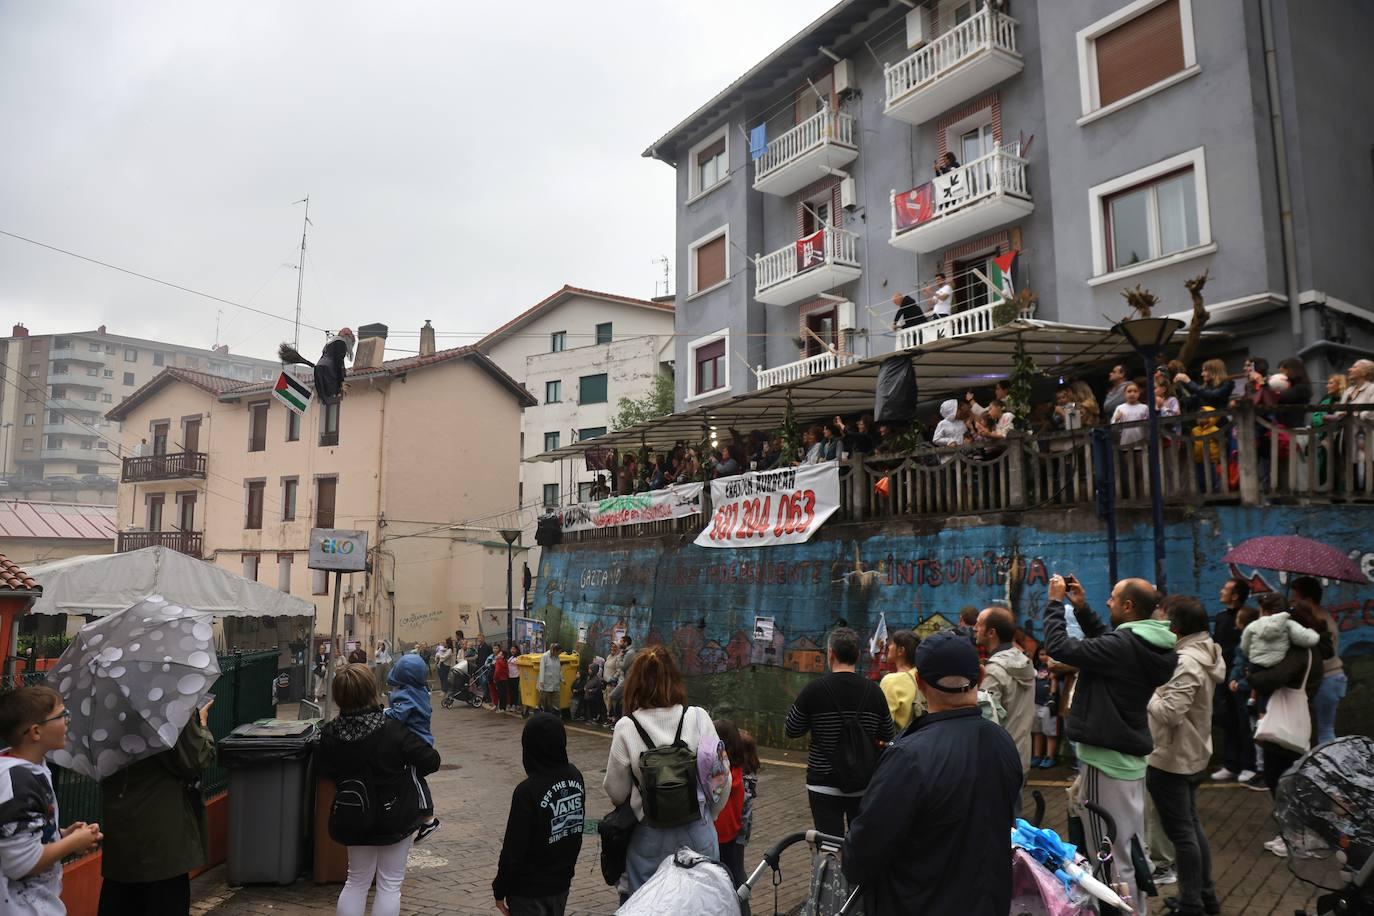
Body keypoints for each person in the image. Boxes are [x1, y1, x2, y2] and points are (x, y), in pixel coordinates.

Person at [841, 631, 1022, 915]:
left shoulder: (909, 757)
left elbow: (860, 856)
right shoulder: (1002, 742)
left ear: (921, 683)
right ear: (982, 676)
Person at [1043, 574, 1178, 910]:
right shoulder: (1146, 644)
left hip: (1106, 760)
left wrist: (1054, 603)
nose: (1108, 602)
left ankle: (1123, 910)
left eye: (1114, 598)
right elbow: (1108, 640)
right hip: (1126, 759)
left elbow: (1060, 647)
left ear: (1128, 606)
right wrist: (1083, 609)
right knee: (1127, 847)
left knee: (1109, 854)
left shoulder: (1124, 647)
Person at [603, 647, 729, 896]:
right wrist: (709, 815)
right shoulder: (698, 717)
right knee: (701, 904)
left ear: (634, 683)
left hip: (650, 836)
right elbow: (721, 779)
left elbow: (616, 792)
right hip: (698, 832)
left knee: (648, 904)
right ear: (675, 679)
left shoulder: (627, 727)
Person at [320, 664, 440, 916]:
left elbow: (327, 771)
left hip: (353, 814)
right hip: (394, 816)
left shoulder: (330, 733)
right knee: (390, 884)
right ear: (371, 691)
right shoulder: (392, 731)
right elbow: (431, 761)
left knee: (356, 881)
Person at [97, 688, 215, 916]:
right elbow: (196, 759)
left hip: (120, 828)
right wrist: (201, 723)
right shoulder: (166, 703)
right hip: (161, 836)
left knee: (120, 898)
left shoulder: (104, 703)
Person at [1146, 595, 1225, 916]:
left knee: (1182, 833)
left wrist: (1148, 688)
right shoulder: (1205, 653)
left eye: (1163, 619)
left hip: (1173, 757)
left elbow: (1169, 712)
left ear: (1175, 626)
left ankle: (1192, 903)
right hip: (1190, 753)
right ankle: (1203, 896)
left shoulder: (1187, 662)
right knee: (1190, 828)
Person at [0, 686, 103, 916]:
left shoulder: (31, 769)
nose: (67, 721)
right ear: (36, 732)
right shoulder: (18, 780)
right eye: (62, 716)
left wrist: (62, 835)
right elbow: (19, 863)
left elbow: (19, 837)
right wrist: (72, 843)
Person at [784, 627, 895, 836]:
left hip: (822, 782)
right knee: (860, 845)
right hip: (863, 783)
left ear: (831, 654)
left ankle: (827, 869)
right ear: (858, 655)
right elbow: (888, 735)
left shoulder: (814, 690)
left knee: (828, 848)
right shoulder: (874, 692)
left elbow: (792, 729)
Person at [1246, 603, 1327, 857]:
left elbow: (1274, 678)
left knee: (1281, 780)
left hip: (1286, 725)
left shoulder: (1299, 652)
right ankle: (1296, 832)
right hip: (1299, 717)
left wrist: (1252, 676)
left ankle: (1295, 835)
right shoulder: (1314, 649)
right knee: (1291, 778)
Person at [492, 713, 584, 916]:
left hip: (529, 891)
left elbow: (514, 848)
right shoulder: (575, 777)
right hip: (561, 882)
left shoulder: (527, 791)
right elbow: (575, 829)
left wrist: (500, 888)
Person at [384, 653, 441, 842]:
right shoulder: (418, 690)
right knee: (411, 777)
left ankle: (428, 818)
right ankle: (419, 816)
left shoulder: (408, 695)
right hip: (417, 741)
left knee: (415, 778)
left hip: (416, 743)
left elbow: (398, 716)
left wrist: (383, 712)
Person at [976, 606, 1036, 777]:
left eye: (979, 625)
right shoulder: (1025, 662)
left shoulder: (994, 671)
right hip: (1021, 756)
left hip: (998, 763)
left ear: (991, 632)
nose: (974, 629)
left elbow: (986, 721)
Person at [1211, 578, 1259, 785]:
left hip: (1240, 679)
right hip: (1222, 677)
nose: (1221, 591)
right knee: (1227, 720)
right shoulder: (1221, 617)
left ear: (1236, 595)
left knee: (1244, 723)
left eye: (1225, 589)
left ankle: (1249, 765)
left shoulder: (1247, 617)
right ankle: (1231, 764)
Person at [1294, 576, 1345, 745]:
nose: (1293, 601)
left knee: (1325, 732)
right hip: (1329, 679)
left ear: (1307, 599)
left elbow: (1323, 655)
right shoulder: (1320, 616)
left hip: (1327, 679)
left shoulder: (1319, 621)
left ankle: (1331, 767)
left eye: (1296, 597)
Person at [712, 718, 755, 889]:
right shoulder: (738, 771)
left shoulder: (721, 774)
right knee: (735, 873)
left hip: (718, 834)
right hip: (732, 833)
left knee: (727, 877)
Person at [1240, 592, 1320, 670]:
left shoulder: (1254, 625)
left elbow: (1244, 645)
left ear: (1265, 612)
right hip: (1277, 664)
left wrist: (1250, 655)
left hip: (1255, 665)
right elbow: (1308, 638)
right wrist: (1313, 632)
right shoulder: (1288, 624)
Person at [878, 630, 924, 731]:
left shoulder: (891, 681)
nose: (888, 647)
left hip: (898, 742)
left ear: (901, 651)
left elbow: (883, 724)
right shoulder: (922, 676)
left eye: (892, 644)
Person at [1031, 647, 1060, 769]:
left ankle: (1050, 756)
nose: (1043, 657)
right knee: (1037, 731)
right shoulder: (1036, 668)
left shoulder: (1054, 668)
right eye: (1041, 654)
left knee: (1050, 732)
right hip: (1036, 701)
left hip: (1048, 703)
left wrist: (1052, 696)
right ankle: (1037, 755)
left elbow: (1055, 681)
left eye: (1045, 654)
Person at [1111, 382, 1150, 447]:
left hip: (1141, 442)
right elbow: (1113, 424)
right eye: (1129, 391)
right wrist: (1117, 419)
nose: (1132, 394)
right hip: (1125, 442)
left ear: (1139, 393)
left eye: (1135, 391)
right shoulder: (1120, 408)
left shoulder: (1144, 408)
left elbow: (1149, 425)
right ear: (1124, 394)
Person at [538, 643, 562, 714]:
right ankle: (544, 713)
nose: (559, 654)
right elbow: (542, 669)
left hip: (555, 682)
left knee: (555, 700)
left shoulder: (557, 658)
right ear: (554, 650)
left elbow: (559, 669)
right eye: (559, 652)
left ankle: (555, 714)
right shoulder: (545, 656)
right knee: (545, 700)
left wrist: (562, 678)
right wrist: (541, 681)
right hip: (546, 682)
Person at [492, 645, 510, 710]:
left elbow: (497, 671)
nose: (499, 654)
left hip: (499, 679)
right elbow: (507, 670)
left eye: (500, 653)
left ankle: (501, 708)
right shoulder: (505, 661)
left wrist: (494, 678)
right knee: (504, 693)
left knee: (500, 694)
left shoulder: (498, 661)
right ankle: (504, 707)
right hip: (505, 679)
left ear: (502, 655)